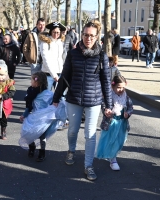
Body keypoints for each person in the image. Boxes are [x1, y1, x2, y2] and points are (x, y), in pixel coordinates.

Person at [52, 20, 112, 181]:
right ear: (82, 35)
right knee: (72, 130)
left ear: (97, 37)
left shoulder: (102, 56)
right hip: (74, 98)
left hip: (94, 100)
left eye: (92, 36)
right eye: (85, 35)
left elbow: (106, 81)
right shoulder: (73, 54)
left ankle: (88, 165)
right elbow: (64, 77)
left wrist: (108, 105)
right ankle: (71, 151)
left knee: (90, 134)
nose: (88, 39)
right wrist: (56, 97)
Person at [19, 72, 66, 161]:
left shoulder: (48, 94)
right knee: (29, 131)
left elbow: (54, 103)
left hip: (43, 119)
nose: (31, 82)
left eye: (32, 80)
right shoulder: (31, 92)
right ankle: (32, 147)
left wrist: (54, 110)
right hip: (35, 117)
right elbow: (29, 106)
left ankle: (42, 152)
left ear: (37, 82)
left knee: (42, 135)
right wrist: (24, 115)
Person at [96, 75, 133, 171]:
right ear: (113, 86)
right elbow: (104, 105)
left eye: (123, 87)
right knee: (110, 140)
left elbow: (130, 107)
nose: (121, 89)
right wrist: (106, 110)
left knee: (118, 141)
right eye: (118, 87)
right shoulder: (109, 97)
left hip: (122, 123)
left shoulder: (126, 97)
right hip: (111, 123)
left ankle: (113, 156)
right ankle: (112, 158)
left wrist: (128, 114)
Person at [39, 21, 66, 91]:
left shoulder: (60, 42)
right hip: (48, 74)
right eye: (54, 32)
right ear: (50, 32)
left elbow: (63, 58)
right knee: (46, 96)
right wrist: (54, 75)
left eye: (58, 32)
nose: (56, 34)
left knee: (61, 97)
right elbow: (45, 60)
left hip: (60, 73)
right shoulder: (45, 42)